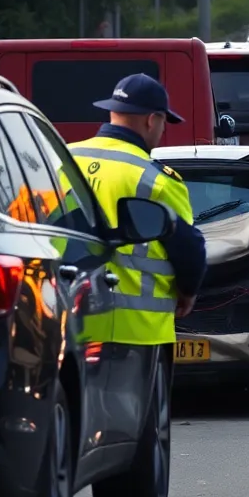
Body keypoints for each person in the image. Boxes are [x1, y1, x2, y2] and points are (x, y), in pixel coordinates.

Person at [70, 73, 208, 351]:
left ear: (112, 112)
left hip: (65, 321)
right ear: (152, 120)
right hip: (136, 331)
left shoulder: (63, 158)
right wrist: (188, 293)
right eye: (164, 123)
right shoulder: (156, 179)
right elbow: (188, 248)